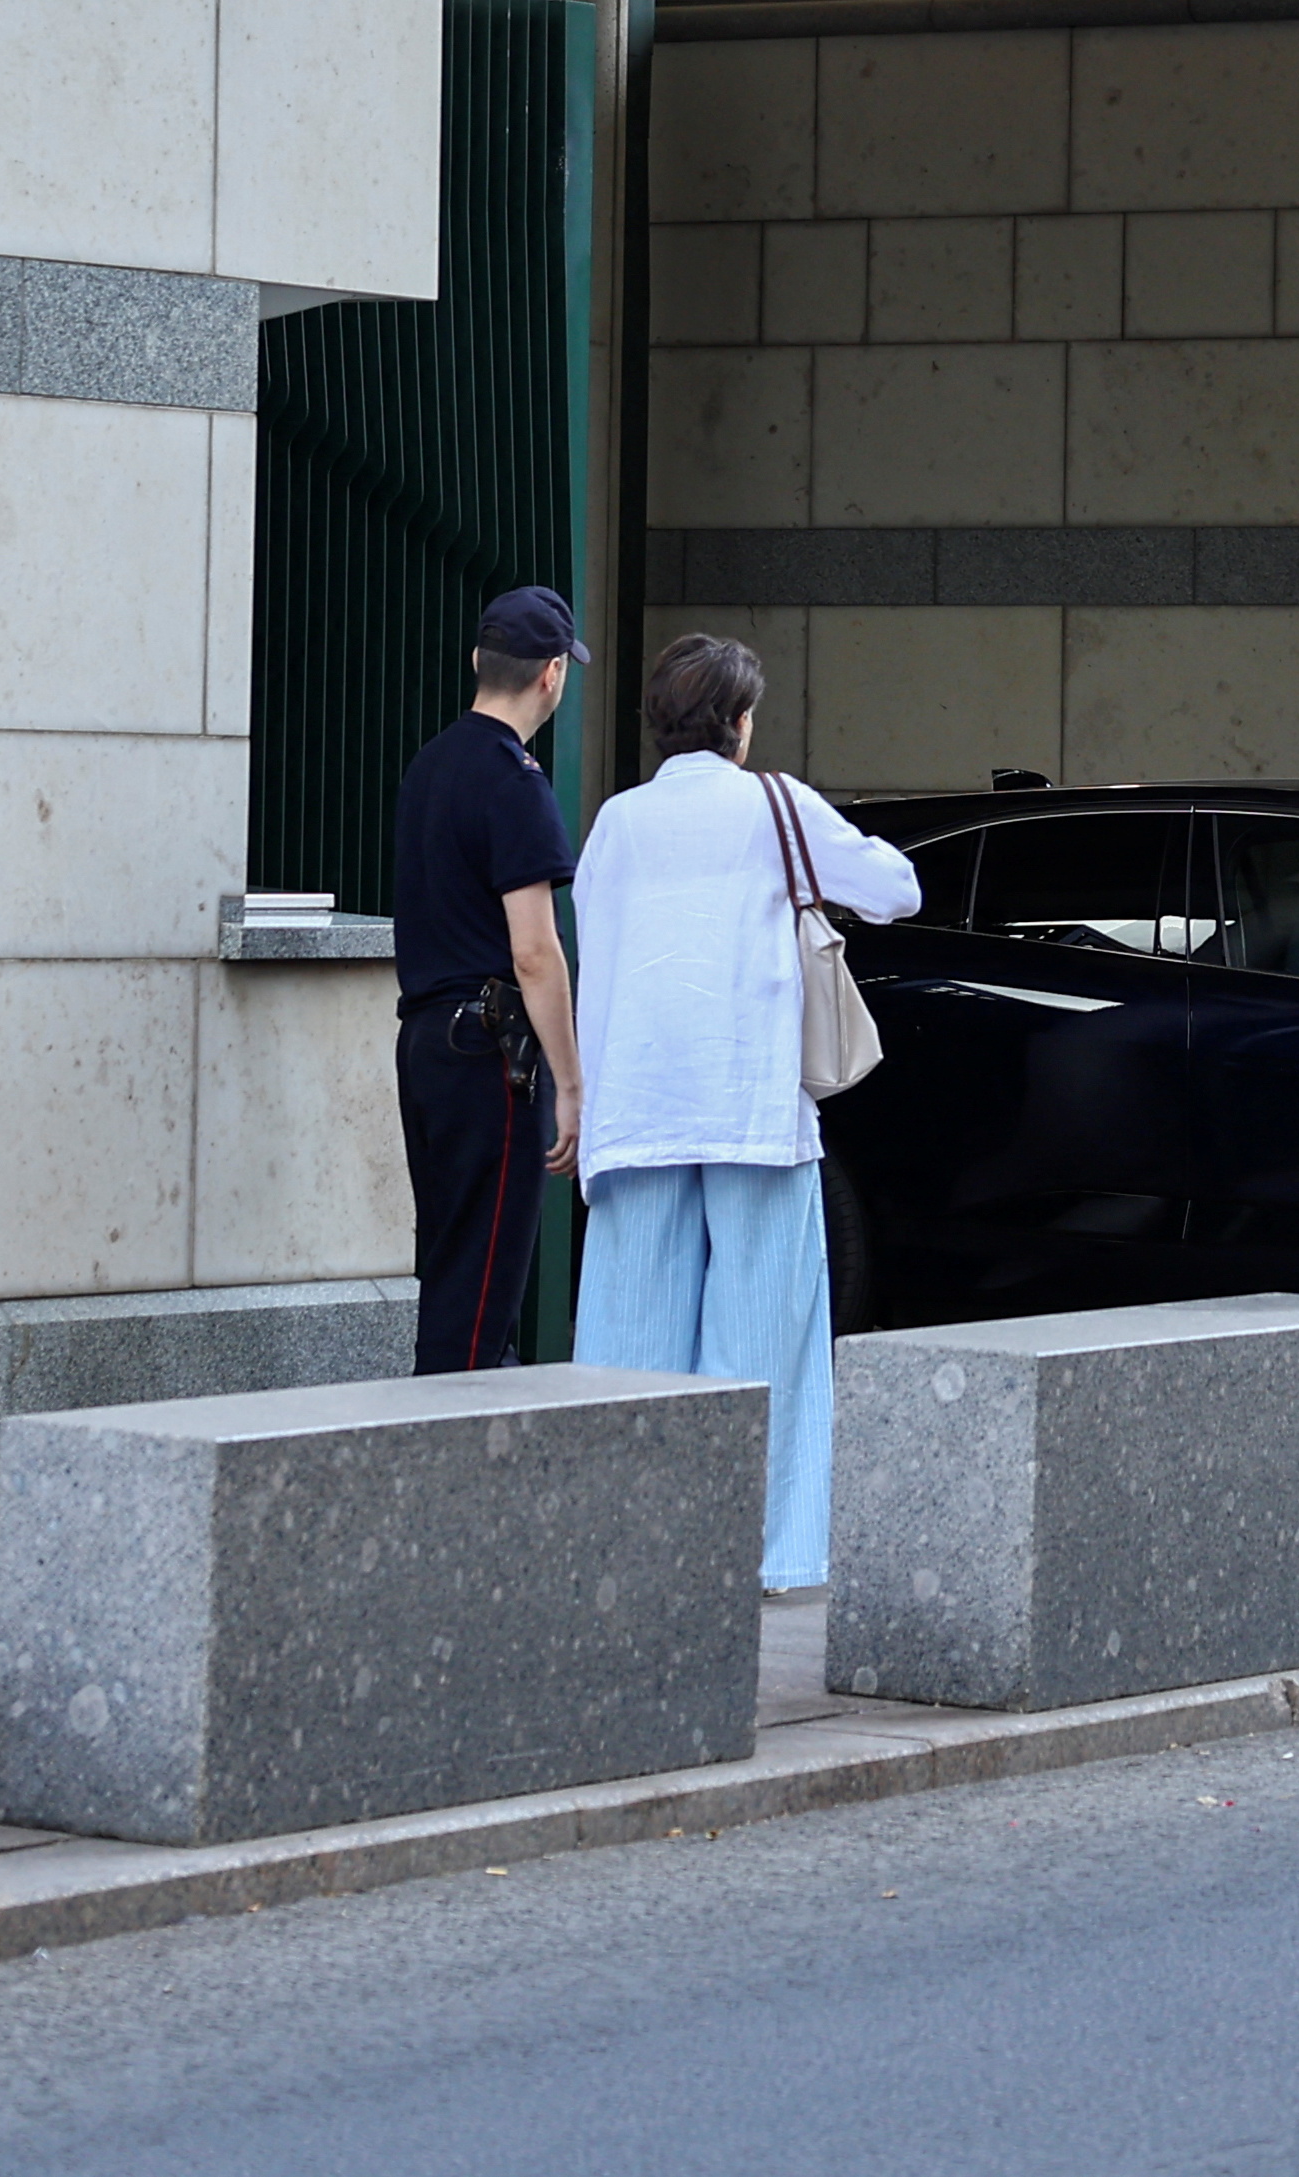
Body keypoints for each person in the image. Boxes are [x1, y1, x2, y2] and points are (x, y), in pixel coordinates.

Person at [565, 631, 919, 1589]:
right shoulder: (778, 806)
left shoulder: (616, 823)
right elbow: (896, 889)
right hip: (749, 1103)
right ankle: (765, 1557)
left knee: (627, 1352)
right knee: (766, 1348)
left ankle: (629, 1551)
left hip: (636, 1108)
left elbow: (593, 946)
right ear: (739, 723)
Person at [389, 587, 589, 1375]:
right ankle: (450, 1467)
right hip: (488, 1054)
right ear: (551, 675)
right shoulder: (513, 782)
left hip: (425, 1043)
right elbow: (535, 951)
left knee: (448, 1267)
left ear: (478, 660)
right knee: (478, 1298)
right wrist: (569, 1082)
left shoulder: (430, 763)